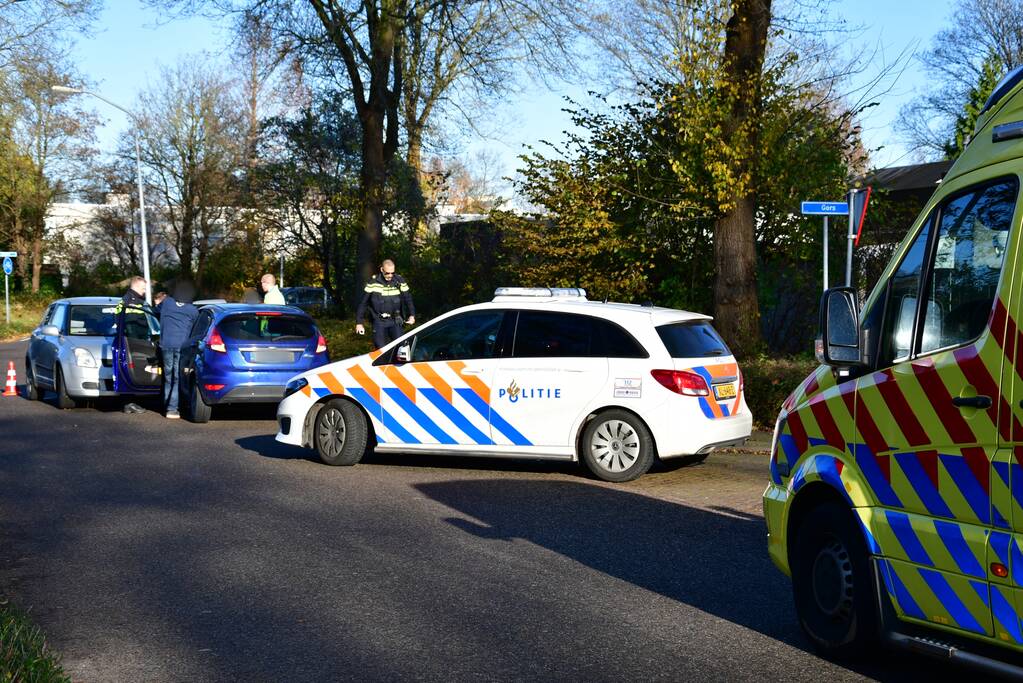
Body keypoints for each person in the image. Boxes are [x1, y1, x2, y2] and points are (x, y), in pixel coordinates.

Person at [155, 283, 200, 419]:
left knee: (168, 377)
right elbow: (197, 328)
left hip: (166, 345)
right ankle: (172, 409)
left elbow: (156, 311)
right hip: (181, 346)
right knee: (177, 378)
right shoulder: (192, 310)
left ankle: (166, 404)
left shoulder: (167, 302)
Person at [355, 259, 416, 349]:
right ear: (382, 270)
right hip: (379, 321)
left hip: (395, 320)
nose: (390, 275)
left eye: (392, 273)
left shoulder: (399, 280)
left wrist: (412, 315)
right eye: (387, 273)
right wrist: (359, 323)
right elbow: (363, 303)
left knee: (402, 347)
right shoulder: (373, 282)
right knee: (381, 349)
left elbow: (408, 298)